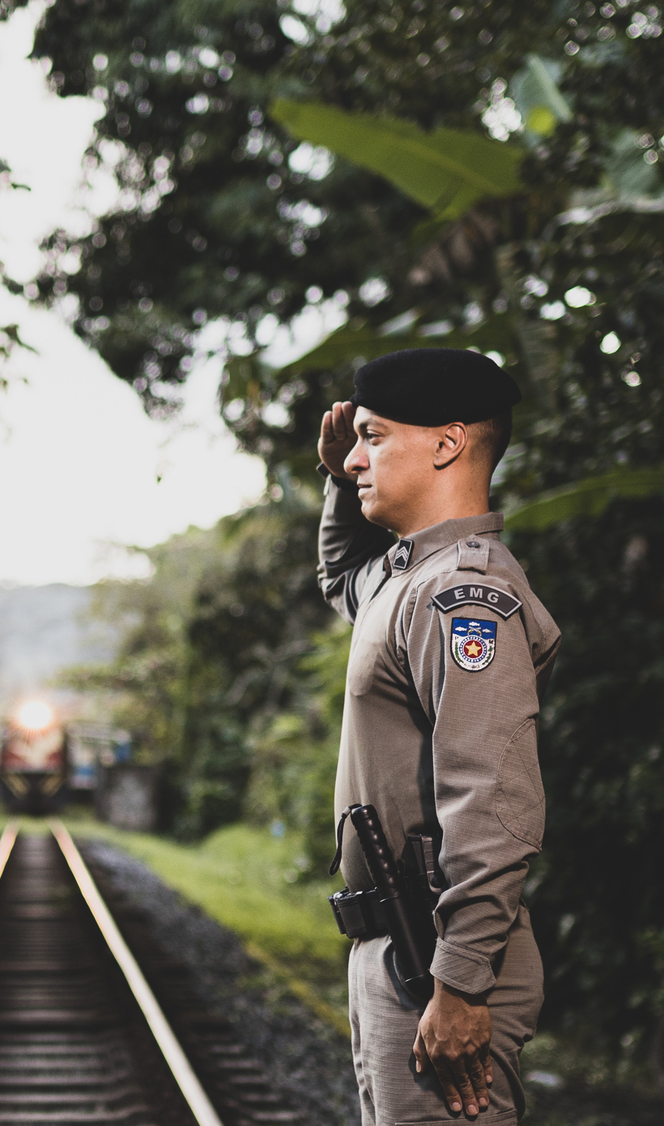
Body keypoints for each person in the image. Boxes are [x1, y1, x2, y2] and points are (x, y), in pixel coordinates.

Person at [317, 348, 560, 1126]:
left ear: (448, 443)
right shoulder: (406, 579)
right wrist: (337, 482)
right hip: (398, 950)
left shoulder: (466, 597)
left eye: (374, 436)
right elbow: (340, 581)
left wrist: (459, 984)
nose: (356, 457)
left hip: (437, 960)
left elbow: (492, 798)